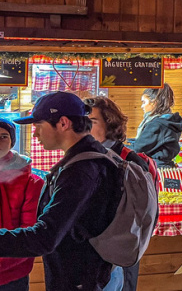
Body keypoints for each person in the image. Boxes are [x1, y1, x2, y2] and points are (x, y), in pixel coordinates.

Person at [0, 92, 122, 291]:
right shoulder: (92, 158)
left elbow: (44, 238)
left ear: (63, 123)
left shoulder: (80, 171)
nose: (35, 134)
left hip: (82, 279)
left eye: (39, 126)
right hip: (92, 274)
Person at [87, 97, 150, 291]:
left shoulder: (128, 161)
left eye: (92, 121)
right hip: (93, 258)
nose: (85, 126)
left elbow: (141, 216)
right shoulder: (89, 156)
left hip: (115, 261)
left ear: (110, 123)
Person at [0, 120, 43, 291]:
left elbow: (29, 235)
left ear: (12, 141)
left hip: (12, 275)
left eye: (3, 136)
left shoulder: (31, 183)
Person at [133, 84, 182, 167]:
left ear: (154, 103)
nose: (142, 106)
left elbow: (138, 148)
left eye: (144, 102)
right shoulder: (168, 120)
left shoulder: (158, 125)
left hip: (155, 169)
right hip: (165, 168)